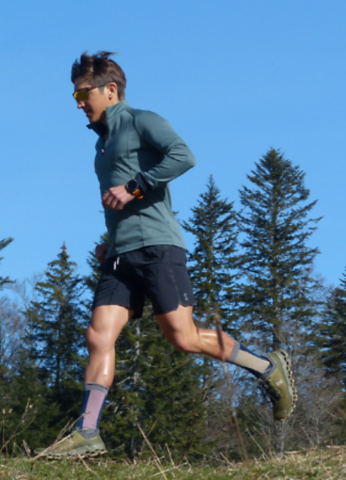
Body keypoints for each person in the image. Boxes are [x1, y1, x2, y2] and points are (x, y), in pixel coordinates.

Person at [37, 51, 296, 458]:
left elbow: (183, 155)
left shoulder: (142, 120)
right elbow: (116, 200)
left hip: (158, 246)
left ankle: (266, 367)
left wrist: (135, 187)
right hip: (120, 254)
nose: (79, 103)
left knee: (184, 338)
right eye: (74, 97)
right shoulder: (101, 146)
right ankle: (88, 432)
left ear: (111, 89)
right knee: (98, 335)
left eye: (82, 94)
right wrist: (110, 237)